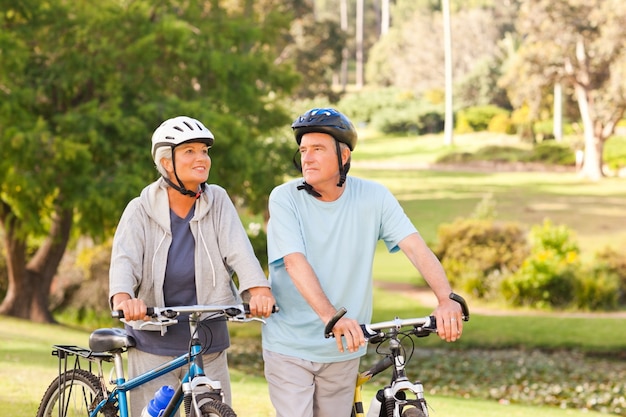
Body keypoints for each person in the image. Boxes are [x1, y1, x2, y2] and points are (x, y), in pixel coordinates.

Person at [261, 108, 463, 417]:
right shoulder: (284, 197)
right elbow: (294, 263)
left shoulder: (374, 196)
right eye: (303, 150)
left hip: (345, 347)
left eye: (318, 149)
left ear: (343, 157)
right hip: (290, 345)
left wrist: (446, 299)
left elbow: (416, 247)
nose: (307, 158)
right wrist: (333, 317)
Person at [109, 115, 275, 417]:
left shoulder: (219, 201)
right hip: (152, 342)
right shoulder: (140, 209)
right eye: (190, 151)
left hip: (207, 338)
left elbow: (240, 252)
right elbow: (124, 261)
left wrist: (259, 291)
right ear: (166, 162)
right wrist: (123, 299)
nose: (202, 158)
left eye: (204, 151)